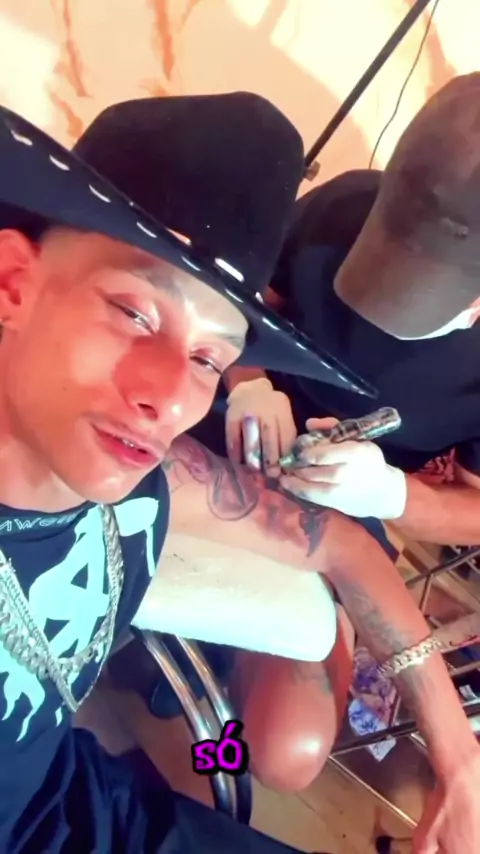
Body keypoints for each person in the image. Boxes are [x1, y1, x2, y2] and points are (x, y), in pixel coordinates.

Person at [0, 91, 477, 854]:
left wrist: (459, 759)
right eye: (133, 311)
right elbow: (244, 294)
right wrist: (246, 382)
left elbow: (349, 545)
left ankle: (192, 739)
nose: (165, 398)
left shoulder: (156, 474)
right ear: (13, 282)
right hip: (243, 440)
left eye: (205, 356)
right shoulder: (343, 214)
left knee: (284, 751)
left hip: (70, 790)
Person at [212, 72, 480, 552]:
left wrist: (392, 495)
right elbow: (238, 303)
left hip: (349, 497)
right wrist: (248, 382)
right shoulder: (346, 203)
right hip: (240, 410)